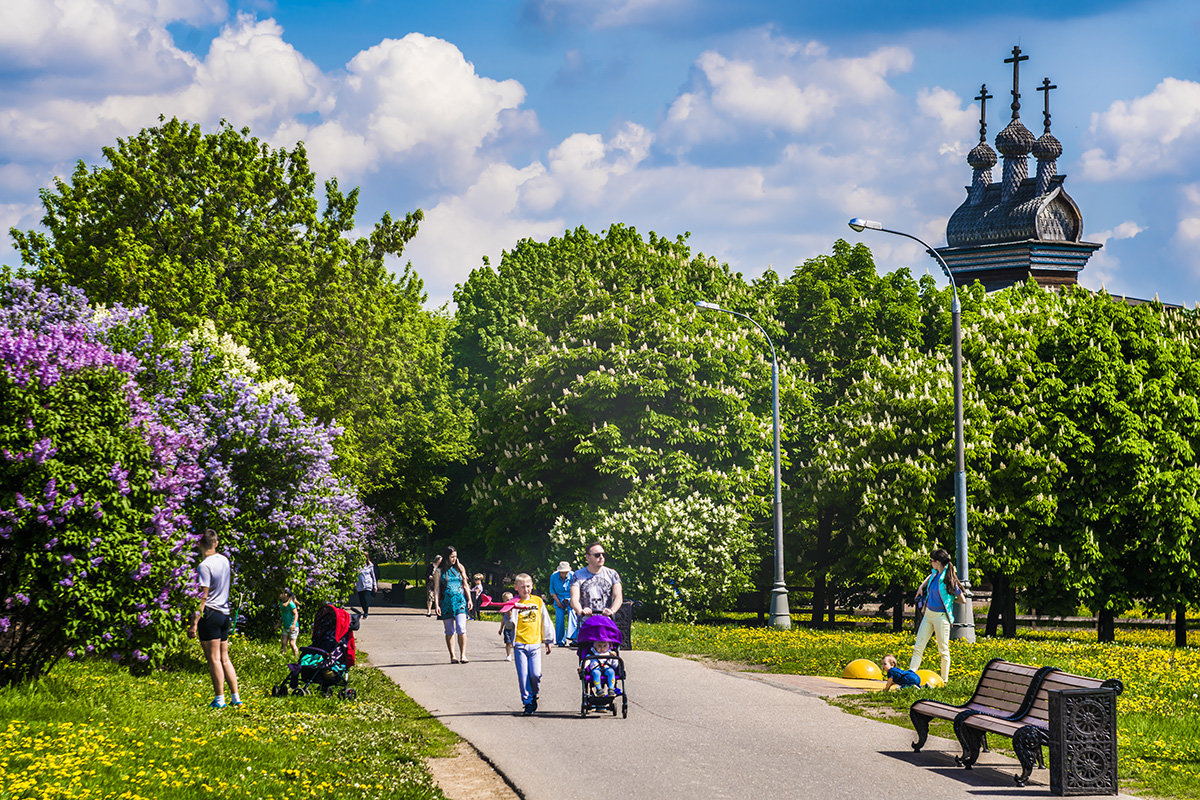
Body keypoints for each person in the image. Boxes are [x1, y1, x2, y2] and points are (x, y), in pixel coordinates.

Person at [189, 529, 241, 709]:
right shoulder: (224, 560)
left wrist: (194, 623)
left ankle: (219, 700)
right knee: (224, 658)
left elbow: (203, 596)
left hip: (210, 614)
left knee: (213, 660)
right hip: (224, 614)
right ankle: (236, 698)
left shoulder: (204, 566)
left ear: (199, 544)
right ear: (216, 543)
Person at [909, 548, 963, 684]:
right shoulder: (934, 574)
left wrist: (950, 600)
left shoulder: (948, 579)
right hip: (928, 615)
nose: (931, 563)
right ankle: (910, 676)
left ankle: (944, 681)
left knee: (943, 650)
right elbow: (930, 575)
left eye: (932, 561)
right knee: (918, 646)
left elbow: (962, 599)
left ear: (938, 562)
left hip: (941, 617)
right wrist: (921, 587)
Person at [510, 573, 551, 715]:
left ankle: (534, 693)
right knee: (523, 676)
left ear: (532, 586)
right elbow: (510, 623)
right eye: (522, 587)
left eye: (528, 586)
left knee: (535, 674)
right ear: (516, 588)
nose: (526, 589)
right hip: (520, 644)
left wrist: (548, 640)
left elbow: (545, 620)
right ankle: (527, 703)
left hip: (535, 644)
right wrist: (510, 612)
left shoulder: (538, 601)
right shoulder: (514, 602)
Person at [433, 546, 473, 663]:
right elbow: (436, 589)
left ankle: (463, 655)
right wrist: (437, 605)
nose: (454, 559)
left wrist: (469, 599)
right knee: (449, 630)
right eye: (452, 557)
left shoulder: (460, 568)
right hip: (446, 603)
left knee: (461, 628)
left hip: (460, 602)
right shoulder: (439, 571)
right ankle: (452, 656)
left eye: (455, 556)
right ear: (446, 557)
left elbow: (465, 584)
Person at [570, 541, 622, 621]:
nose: (601, 557)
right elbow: (574, 598)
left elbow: (618, 596)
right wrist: (580, 611)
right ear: (587, 557)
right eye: (597, 555)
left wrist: (612, 610)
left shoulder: (612, 574)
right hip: (586, 622)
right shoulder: (578, 575)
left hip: (607, 621)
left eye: (603, 554)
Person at [548, 561, 575, 645]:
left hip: (570, 598)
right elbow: (552, 590)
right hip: (558, 598)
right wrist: (557, 601)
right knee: (559, 619)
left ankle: (574, 638)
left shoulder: (573, 575)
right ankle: (560, 641)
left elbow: (575, 590)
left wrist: (572, 600)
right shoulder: (554, 576)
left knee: (573, 616)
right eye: (562, 572)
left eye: (565, 572)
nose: (564, 574)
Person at [278, 588, 300, 659]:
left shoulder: (291, 604)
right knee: (283, 643)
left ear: (286, 595)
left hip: (293, 627)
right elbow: (283, 615)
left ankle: (296, 657)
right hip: (286, 627)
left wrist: (293, 624)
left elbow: (296, 614)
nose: (280, 594)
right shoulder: (281, 604)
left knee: (292, 643)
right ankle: (283, 657)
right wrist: (278, 624)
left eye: (282, 593)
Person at [497, 590, 516, 661]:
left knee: (515, 644)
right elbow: (503, 620)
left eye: (511, 599)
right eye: (507, 600)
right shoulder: (505, 610)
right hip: (507, 629)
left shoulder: (515, 609)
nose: (509, 601)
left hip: (514, 629)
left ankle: (517, 655)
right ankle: (508, 655)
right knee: (508, 643)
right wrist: (501, 629)